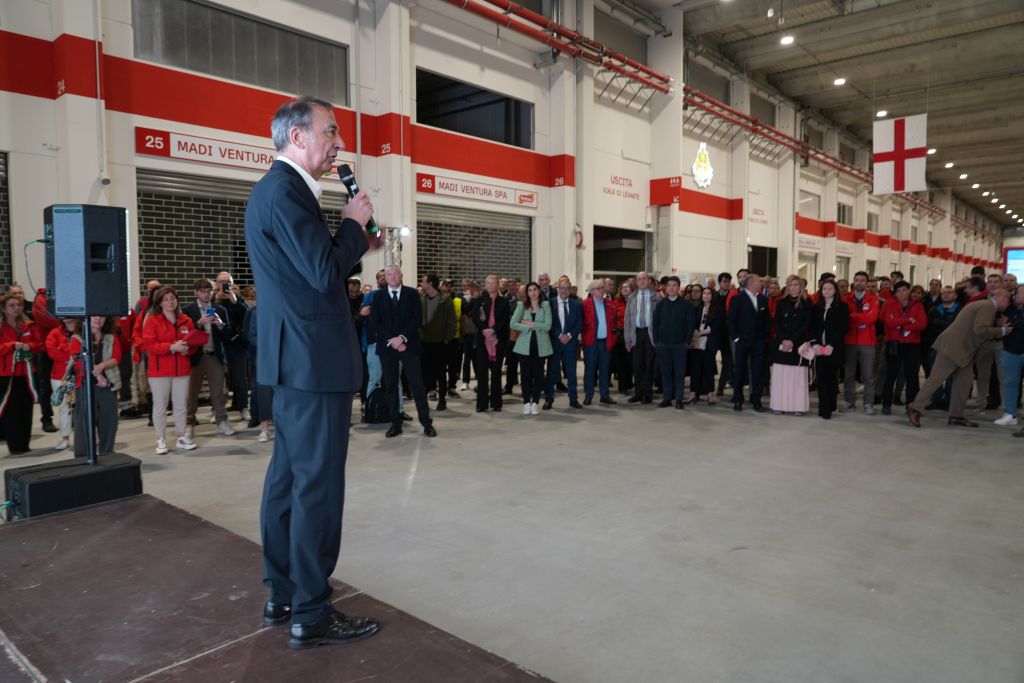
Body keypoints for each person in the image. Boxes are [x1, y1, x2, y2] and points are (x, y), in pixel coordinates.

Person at [244, 96, 382, 648]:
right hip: (313, 360)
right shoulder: (286, 191)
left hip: (295, 359)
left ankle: (284, 592)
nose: (339, 144)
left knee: (288, 480)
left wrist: (356, 241)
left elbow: (307, 270)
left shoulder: (277, 191)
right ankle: (313, 610)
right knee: (317, 488)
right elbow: (324, 272)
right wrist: (351, 226)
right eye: (331, 132)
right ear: (297, 136)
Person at [907, 289, 1013, 428]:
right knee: (936, 379)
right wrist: (1003, 331)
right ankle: (915, 408)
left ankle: (956, 416)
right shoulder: (988, 306)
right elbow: (980, 330)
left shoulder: (983, 305)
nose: (1008, 303)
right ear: (1002, 297)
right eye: (1008, 300)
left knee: (963, 383)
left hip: (963, 351)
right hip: (954, 348)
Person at [372, 266, 436, 438]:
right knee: (390, 386)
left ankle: (426, 423)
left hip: (409, 345)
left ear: (401, 276)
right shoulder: (377, 296)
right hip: (388, 347)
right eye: (389, 274)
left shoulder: (412, 293)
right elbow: (375, 322)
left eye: (395, 274)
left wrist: (402, 338)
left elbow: (417, 318)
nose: (392, 277)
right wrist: (393, 341)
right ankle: (395, 423)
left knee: (417, 385)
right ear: (385, 277)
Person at [142, 286, 207, 454]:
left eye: (172, 298)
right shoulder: (152, 320)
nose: (170, 302)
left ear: (177, 300)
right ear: (159, 303)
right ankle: (160, 439)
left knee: (181, 406)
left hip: (182, 371)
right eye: (165, 299)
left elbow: (192, 343)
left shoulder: (186, 320)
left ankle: (181, 437)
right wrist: (172, 347)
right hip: (159, 372)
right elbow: (149, 345)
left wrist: (188, 350)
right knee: (160, 407)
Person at [183, 279, 236, 437]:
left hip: (215, 355)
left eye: (209, 291)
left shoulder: (220, 309)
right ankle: (189, 422)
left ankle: (222, 421)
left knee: (218, 392)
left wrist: (220, 324)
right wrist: (198, 324)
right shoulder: (187, 310)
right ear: (196, 292)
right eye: (202, 291)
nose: (206, 294)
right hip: (195, 356)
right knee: (191, 392)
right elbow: (183, 333)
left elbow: (228, 335)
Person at [71, 316, 122, 457]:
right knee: (83, 425)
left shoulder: (111, 337)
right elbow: (78, 361)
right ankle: (82, 458)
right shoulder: (77, 339)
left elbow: (116, 357)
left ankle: (107, 454)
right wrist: (98, 375)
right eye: (94, 316)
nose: (98, 319)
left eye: (102, 316)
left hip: (108, 386)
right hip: (85, 386)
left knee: (109, 423)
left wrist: (102, 366)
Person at [0, 293, 43, 454]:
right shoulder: (1, 328)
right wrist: (11, 346)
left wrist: (29, 346)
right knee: (11, 411)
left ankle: (25, 444)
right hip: (6, 375)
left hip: (27, 374)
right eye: (12, 305)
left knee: (26, 409)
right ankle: (15, 446)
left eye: (18, 305)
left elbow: (39, 345)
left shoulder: (29, 325)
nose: (16, 308)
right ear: (3, 309)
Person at [880, 281, 926, 415]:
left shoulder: (917, 305)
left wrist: (900, 325)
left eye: (905, 290)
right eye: (899, 291)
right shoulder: (889, 304)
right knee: (891, 374)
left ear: (909, 291)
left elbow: (922, 324)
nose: (902, 293)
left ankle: (912, 405)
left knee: (911, 375)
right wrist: (909, 320)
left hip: (912, 344)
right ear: (895, 293)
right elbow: (888, 322)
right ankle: (886, 404)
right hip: (894, 342)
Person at [728, 273, 770, 412]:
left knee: (758, 371)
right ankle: (738, 399)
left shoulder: (763, 299)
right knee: (739, 370)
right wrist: (736, 338)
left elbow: (767, 320)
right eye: (759, 281)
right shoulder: (737, 299)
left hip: (758, 342)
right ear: (751, 283)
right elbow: (731, 320)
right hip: (742, 341)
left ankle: (756, 400)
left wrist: (764, 337)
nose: (761, 283)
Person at [769, 278, 811, 416]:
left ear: (801, 287)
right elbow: (777, 323)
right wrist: (784, 340)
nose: (793, 287)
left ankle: (798, 406)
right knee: (781, 376)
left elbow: (806, 325)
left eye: (796, 285)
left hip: (799, 343)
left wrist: (792, 340)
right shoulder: (781, 302)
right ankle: (779, 405)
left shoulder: (807, 303)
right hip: (782, 343)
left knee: (797, 377)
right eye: (791, 285)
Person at [651, 276, 695, 409]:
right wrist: (657, 341)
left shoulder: (686, 305)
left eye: (674, 285)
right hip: (663, 344)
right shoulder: (660, 304)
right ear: (666, 287)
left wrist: (686, 342)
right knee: (665, 373)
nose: (671, 288)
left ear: (678, 287)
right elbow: (655, 324)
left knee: (679, 373)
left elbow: (690, 325)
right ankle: (667, 398)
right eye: (669, 285)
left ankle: (679, 399)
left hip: (680, 345)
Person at [510, 282, 552, 415]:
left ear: (539, 291)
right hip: (524, 346)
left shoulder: (545, 305)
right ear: (527, 293)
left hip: (541, 346)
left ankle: (535, 403)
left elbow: (548, 326)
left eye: (535, 290)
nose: (532, 292)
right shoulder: (521, 305)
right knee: (525, 375)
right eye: (529, 290)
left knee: (539, 375)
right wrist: (527, 327)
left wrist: (532, 324)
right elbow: (513, 323)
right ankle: (526, 403)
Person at [471, 274, 511, 413]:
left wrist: (493, 330)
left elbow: (505, 320)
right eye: (488, 283)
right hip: (483, 340)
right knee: (482, 372)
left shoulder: (503, 302)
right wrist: (485, 330)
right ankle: (481, 404)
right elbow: (475, 317)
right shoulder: (480, 300)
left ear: (497, 285)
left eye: (493, 283)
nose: (490, 285)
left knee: (496, 372)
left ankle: (496, 403)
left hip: (498, 340)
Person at [809, 280, 849, 420]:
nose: (827, 291)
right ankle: (824, 408)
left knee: (831, 378)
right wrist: (815, 344)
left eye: (830, 288)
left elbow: (843, 328)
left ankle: (831, 405)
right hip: (819, 347)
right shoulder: (816, 307)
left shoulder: (842, 307)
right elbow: (812, 327)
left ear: (835, 290)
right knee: (821, 379)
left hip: (834, 348)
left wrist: (831, 345)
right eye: (824, 289)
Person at [215, 271, 251, 421]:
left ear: (232, 283)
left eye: (227, 282)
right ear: (217, 284)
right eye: (221, 282)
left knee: (240, 377)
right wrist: (216, 301)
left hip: (237, 343)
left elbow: (248, 316)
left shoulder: (238, 298)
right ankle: (217, 409)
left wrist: (235, 301)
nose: (224, 285)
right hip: (219, 343)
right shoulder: (212, 297)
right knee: (217, 379)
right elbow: (208, 315)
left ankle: (243, 406)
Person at [842, 271, 880, 414]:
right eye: (857, 280)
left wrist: (853, 316)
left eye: (862, 280)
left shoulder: (873, 299)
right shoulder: (846, 299)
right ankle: (849, 402)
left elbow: (872, 318)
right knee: (849, 375)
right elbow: (844, 318)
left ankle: (868, 404)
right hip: (849, 340)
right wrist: (862, 318)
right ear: (853, 281)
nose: (859, 283)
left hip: (867, 341)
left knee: (868, 375)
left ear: (866, 282)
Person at [544, 276, 582, 410]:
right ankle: (549, 399)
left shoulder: (576, 305)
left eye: (566, 288)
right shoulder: (549, 303)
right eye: (561, 288)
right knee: (551, 372)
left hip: (570, 344)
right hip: (555, 343)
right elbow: (549, 323)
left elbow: (579, 323)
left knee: (571, 373)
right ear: (557, 289)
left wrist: (569, 336)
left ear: (570, 289)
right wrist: (560, 335)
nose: (564, 290)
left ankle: (573, 399)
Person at [418, 273, 455, 412]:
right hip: (424, 341)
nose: (422, 284)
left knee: (440, 372)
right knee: (425, 372)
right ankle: (426, 398)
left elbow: (451, 321)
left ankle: (442, 399)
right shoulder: (421, 299)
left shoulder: (445, 299)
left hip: (440, 342)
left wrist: (447, 339)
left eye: (423, 281)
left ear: (430, 284)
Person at [581, 280, 618, 405]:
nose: (601, 290)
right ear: (592, 291)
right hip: (590, 343)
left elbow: (614, 323)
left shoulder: (610, 305)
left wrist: (613, 338)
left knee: (605, 370)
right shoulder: (584, 305)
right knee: (590, 370)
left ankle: (604, 395)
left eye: (602, 288)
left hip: (606, 342)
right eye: (598, 288)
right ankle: (588, 395)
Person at [922, 286, 960, 411]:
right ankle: (936, 399)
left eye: (949, 292)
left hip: (953, 346)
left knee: (951, 375)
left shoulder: (960, 310)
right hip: (935, 346)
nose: (946, 295)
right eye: (943, 293)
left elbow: (956, 327)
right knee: (934, 374)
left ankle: (949, 400)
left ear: (955, 295)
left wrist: (938, 323)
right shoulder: (933, 310)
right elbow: (929, 328)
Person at [624, 271, 658, 405]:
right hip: (636, 333)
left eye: (644, 278)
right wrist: (627, 338)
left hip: (650, 334)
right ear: (636, 282)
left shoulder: (656, 297)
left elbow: (660, 319)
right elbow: (627, 319)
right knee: (637, 365)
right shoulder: (632, 297)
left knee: (649, 365)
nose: (642, 281)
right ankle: (638, 393)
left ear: (648, 280)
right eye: (639, 279)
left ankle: (647, 394)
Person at [46, 317, 80, 450]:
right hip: (60, 376)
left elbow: (85, 350)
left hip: (80, 375)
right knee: (64, 408)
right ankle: (65, 437)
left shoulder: (83, 330)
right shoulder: (54, 333)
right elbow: (52, 353)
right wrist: (72, 353)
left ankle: (84, 436)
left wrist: (63, 348)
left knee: (82, 406)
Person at [686, 286, 724, 406]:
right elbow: (693, 323)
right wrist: (694, 334)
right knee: (695, 369)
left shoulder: (717, 309)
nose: (705, 295)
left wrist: (701, 333)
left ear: (712, 296)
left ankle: (710, 394)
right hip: (696, 342)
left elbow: (716, 326)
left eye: (708, 293)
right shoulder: (697, 308)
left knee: (708, 369)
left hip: (709, 342)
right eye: (704, 293)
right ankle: (693, 393)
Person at [994, 284, 1024, 426]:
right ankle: (1010, 414)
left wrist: (1013, 323)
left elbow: (1011, 325)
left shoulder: (1010, 313)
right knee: (1010, 383)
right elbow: (999, 323)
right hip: (1011, 350)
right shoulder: (1007, 308)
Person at [611, 280, 633, 396]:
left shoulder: (635, 301)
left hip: (633, 334)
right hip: (620, 335)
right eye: (623, 287)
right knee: (621, 363)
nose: (625, 289)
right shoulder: (615, 303)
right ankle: (622, 386)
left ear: (632, 289)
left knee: (631, 361)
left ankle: (629, 383)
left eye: (628, 287)